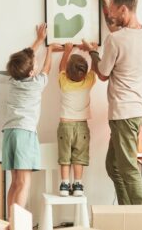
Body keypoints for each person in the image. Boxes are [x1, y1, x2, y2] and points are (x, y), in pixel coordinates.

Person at [79, 0, 142, 205]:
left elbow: (102, 74)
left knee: (128, 169)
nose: (110, 15)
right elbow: (116, 29)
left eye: (113, 11)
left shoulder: (116, 41)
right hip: (136, 109)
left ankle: (141, 219)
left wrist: (92, 52)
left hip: (123, 112)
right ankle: (126, 212)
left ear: (124, 9)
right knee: (113, 166)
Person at [2, 23, 62, 218]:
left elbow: (26, 58)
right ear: (30, 73)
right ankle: (17, 223)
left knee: (15, 182)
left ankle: (11, 221)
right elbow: (47, 68)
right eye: (33, 65)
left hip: (9, 133)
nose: (35, 65)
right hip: (24, 134)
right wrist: (50, 50)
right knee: (24, 182)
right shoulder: (36, 84)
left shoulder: (12, 81)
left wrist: (38, 40)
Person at [56, 42, 96, 196]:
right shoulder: (88, 82)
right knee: (79, 156)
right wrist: (93, 51)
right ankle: (78, 185)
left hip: (65, 125)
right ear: (84, 74)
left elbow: (61, 68)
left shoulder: (64, 82)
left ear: (67, 71)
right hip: (82, 127)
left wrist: (67, 50)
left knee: (65, 156)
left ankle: (65, 184)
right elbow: (94, 69)